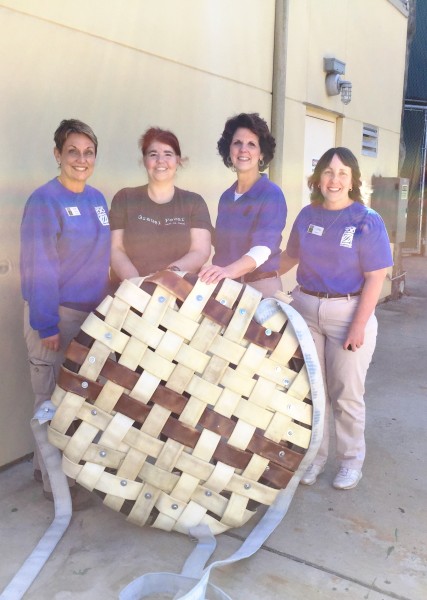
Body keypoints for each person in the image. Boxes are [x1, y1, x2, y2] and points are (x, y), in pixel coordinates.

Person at [279, 147, 393, 490]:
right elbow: (288, 258)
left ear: (353, 180)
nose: (334, 179)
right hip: (306, 308)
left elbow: (376, 275)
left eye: (343, 173)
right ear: (318, 179)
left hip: (348, 312)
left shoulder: (366, 219)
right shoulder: (308, 215)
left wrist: (358, 325)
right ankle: (314, 459)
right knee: (312, 392)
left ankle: (350, 462)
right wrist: (249, 269)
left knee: (345, 393)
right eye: (328, 172)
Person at [20, 118, 111, 504]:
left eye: (88, 152)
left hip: (89, 318)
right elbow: (39, 264)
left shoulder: (97, 200)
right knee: (49, 404)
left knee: (76, 403)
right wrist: (46, 324)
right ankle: (51, 485)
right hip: (55, 316)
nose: (81, 159)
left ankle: (71, 477)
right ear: (58, 155)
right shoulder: (45, 200)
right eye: (72, 151)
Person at [199, 112, 287, 297]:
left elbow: (263, 249)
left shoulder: (271, 194)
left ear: (261, 154)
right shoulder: (226, 197)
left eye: (251, 144)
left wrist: (227, 271)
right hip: (227, 287)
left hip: (260, 289)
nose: (243, 149)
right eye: (237, 143)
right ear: (229, 150)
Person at [109, 127, 212, 284]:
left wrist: (167, 276)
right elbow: (115, 249)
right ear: (144, 160)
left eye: (168, 154)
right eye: (153, 154)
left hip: (177, 292)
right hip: (128, 292)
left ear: (178, 160)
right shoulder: (125, 198)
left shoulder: (194, 202)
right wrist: (136, 284)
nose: (160, 160)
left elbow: (200, 251)